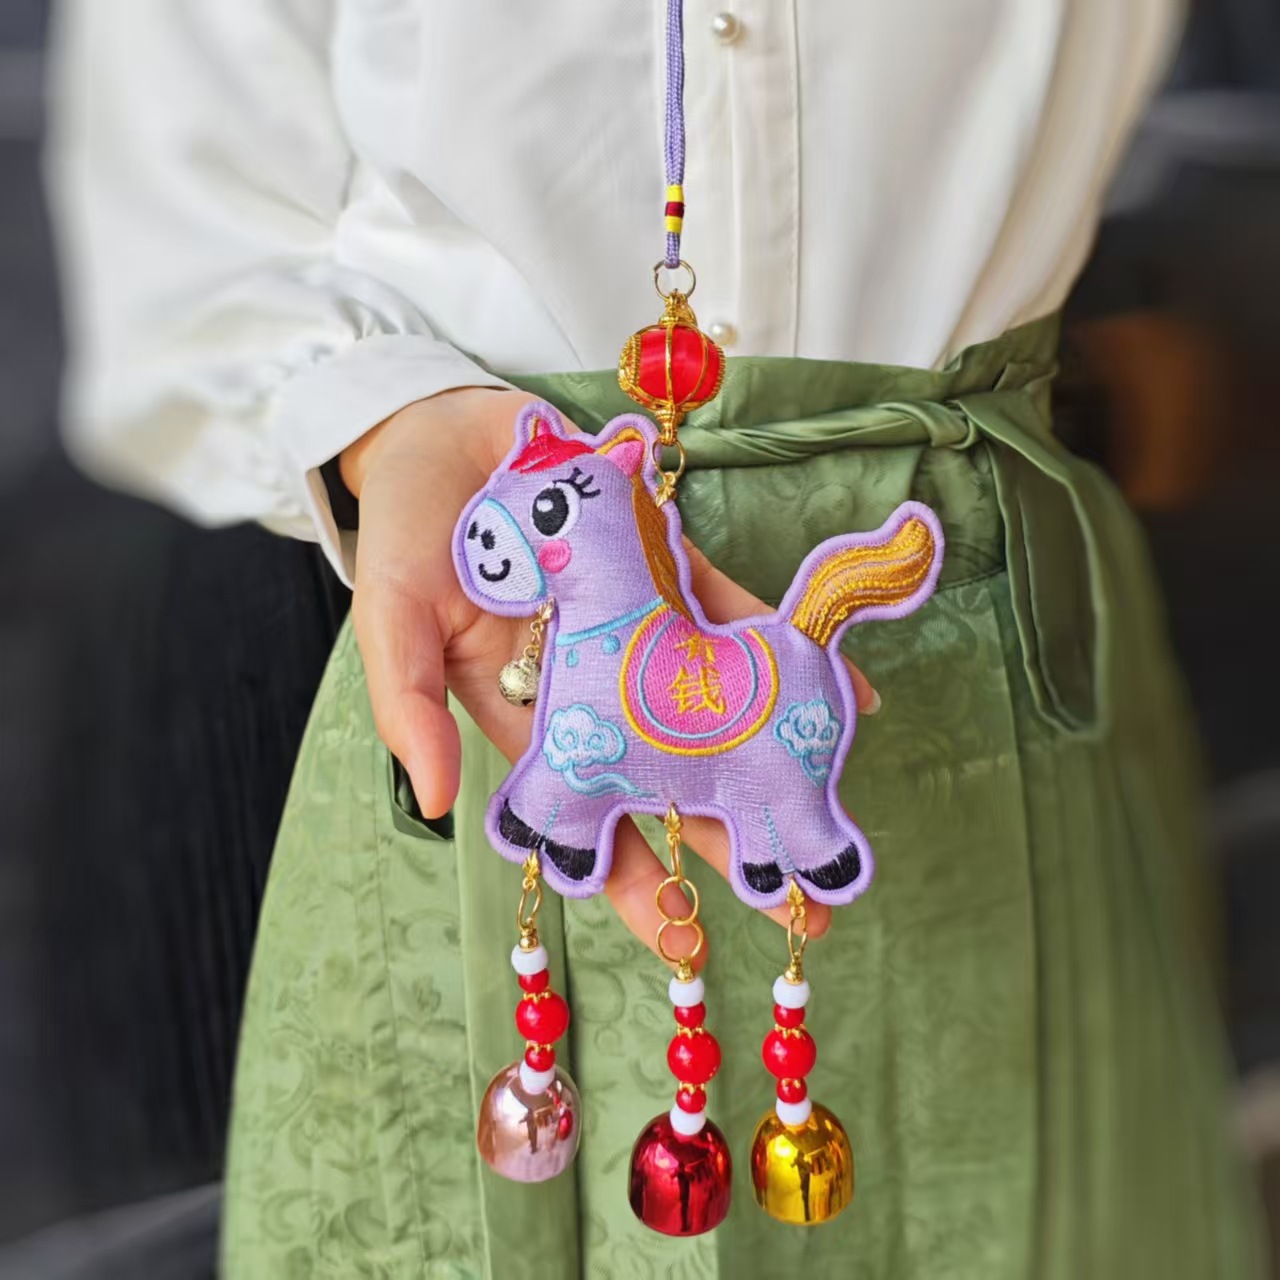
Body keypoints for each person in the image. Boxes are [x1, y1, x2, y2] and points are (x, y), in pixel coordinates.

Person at [48, 0, 1265, 1275]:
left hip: (985, 662)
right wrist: (387, 420)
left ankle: (782, 825)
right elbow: (172, 209)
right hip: (470, 644)